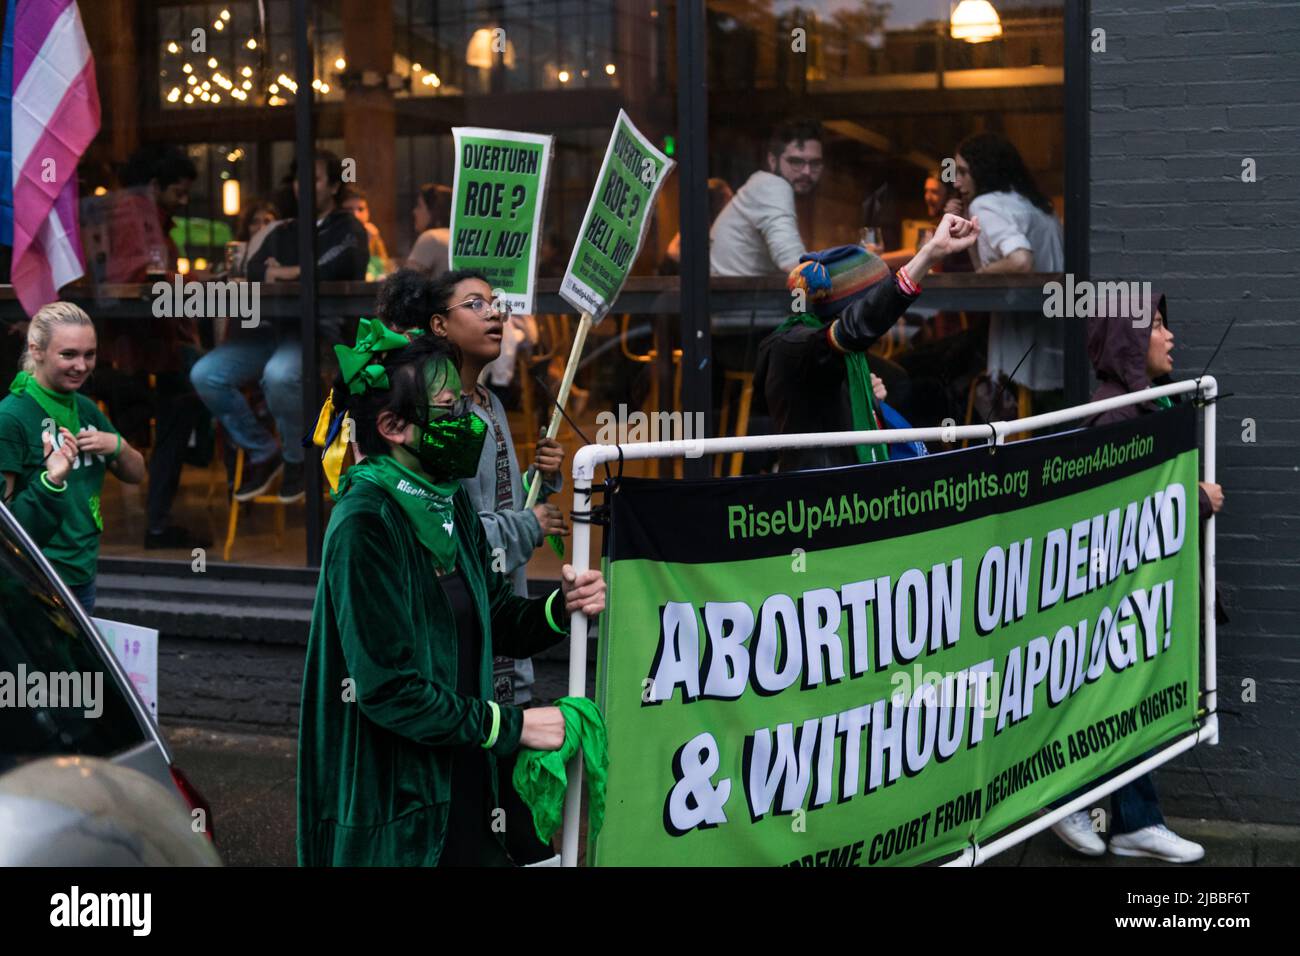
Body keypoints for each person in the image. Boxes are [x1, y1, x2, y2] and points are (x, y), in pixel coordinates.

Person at [297, 329, 606, 866]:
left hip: (466, 779)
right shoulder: (364, 521)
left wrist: (562, 607)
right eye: (448, 410)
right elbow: (389, 690)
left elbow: (495, 618)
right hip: (399, 809)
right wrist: (513, 726)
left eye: (464, 405)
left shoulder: (449, 500)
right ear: (393, 427)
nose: (469, 423)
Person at [1048, 294, 1219, 864]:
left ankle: (1132, 822)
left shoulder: (1139, 407)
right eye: (1159, 327)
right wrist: (1193, 498)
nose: (1171, 338)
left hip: (1129, 596)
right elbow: (1122, 514)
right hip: (1107, 597)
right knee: (1105, 699)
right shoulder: (1116, 414)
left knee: (1122, 700)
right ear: (1128, 342)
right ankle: (1067, 798)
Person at [425, 269, 569, 863]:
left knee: (517, 823)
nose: (494, 314)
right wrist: (530, 525)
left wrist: (547, 478)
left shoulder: (490, 403)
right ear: (438, 325)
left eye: (497, 303)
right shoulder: (438, 415)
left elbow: (499, 509)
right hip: (467, 661)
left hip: (505, 640)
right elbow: (452, 536)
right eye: (474, 303)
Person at [191, 151, 368, 503]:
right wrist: (294, 270)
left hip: (319, 334)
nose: (305, 186)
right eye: (300, 178)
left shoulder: (347, 227)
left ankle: (295, 458)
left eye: (315, 178)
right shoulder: (284, 229)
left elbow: (337, 265)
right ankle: (262, 450)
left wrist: (290, 270)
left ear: (334, 185)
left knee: (279, 374)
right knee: (205, 373)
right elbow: (254, 269)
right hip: (271, 331)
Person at [753, 213, 981, 472]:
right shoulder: (799, 344)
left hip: (851, 492)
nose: (885, 324)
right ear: (853, 307)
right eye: (874, 300)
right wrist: (928, 254)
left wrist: (863, 396)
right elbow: (856, 328)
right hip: (820, 497)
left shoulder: (839, 352)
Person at [0, 304, 146, 611]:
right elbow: (6, 529)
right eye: (68, 354)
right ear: (36, 350)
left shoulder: (85, 407)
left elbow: (136, 473)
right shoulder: (11, 418)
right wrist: (51, 480)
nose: (81, 366)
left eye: (89, 354)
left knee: (73, 662)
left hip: (82, 575)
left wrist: (117, 445)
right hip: (34, 582)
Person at [952, 132, 1065, 403]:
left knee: (945, 368)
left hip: (1019, 342)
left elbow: (1019, 259)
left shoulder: (986, 204)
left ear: (983, 170)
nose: (956, 182)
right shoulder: (1034, 204)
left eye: (964, 172)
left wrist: (980, 276)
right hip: (1056, 338)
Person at [710, 121, 823, 277]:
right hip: (735, 299)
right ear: (772, 161)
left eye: (815, 163)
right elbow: (791, 260)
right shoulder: (772, 185)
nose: (807, 172)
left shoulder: (763, 186)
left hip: (737, 296)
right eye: (796, 162)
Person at [338, 185, 391, 280]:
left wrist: (374, 240)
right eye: (348, 210)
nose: (356, 215)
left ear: (368, 212)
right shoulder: (335, 239)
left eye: (361, 209)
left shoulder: (373, 235)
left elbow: (384, 271)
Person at [406, 183, 452, 272]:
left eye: (419, 206)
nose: (414, 211)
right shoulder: (454, 237)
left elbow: (404, 283)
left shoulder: (431, 238)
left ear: (434, 210)